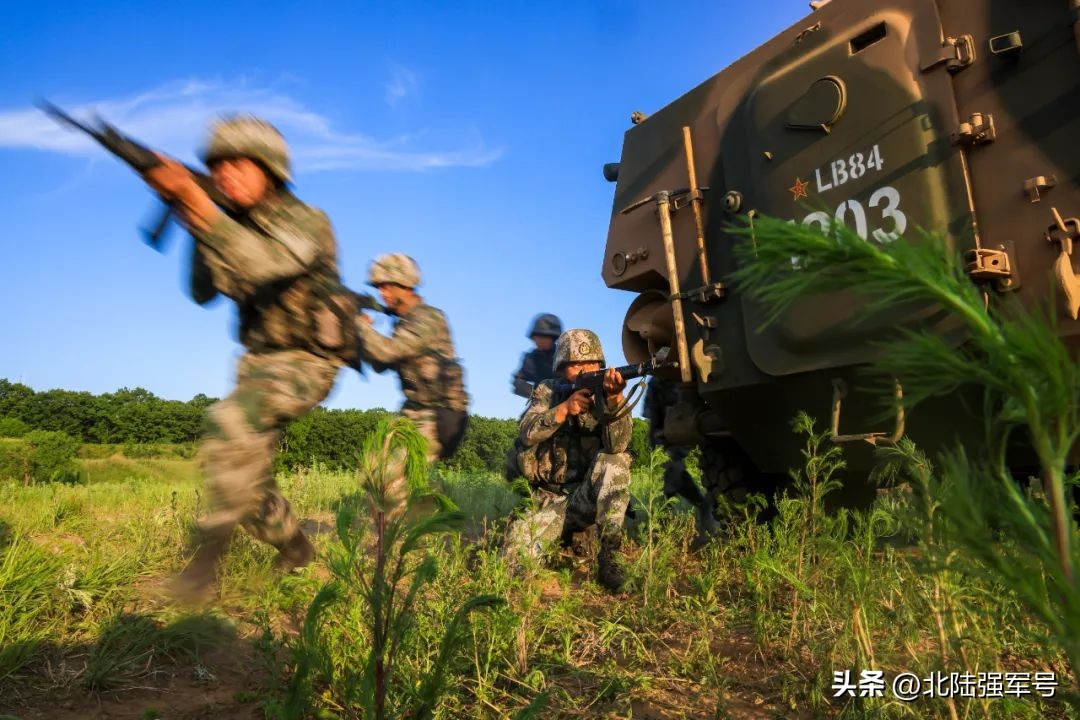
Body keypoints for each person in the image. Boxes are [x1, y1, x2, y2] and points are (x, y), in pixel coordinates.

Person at [142, 115, 356, 597]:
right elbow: (202, 293)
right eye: (216, 167)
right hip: (257, 364)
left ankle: (201, 570)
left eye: (238, 165)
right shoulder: (228, 225)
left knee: (229, 425)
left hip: (308, 361)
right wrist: (195, 222)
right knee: (247, 476)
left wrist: (199, 202)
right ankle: (297, 551)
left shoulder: (308, 221)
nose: (224, 175)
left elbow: (263, 263)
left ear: (272, 169)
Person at [502, 329, 632, 591]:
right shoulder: (547, 390)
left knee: (614, 460)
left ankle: (610, 559)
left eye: (592, 363)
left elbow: (617, 445)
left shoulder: (607, 396)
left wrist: (615, 400)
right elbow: (527, 434)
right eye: (577, 364)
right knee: (511, 565)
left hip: (584, 501)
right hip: (548, 502)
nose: (586, 369)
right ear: (561, 368)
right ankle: (562, 541)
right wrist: (564, 409)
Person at [354, 253, 468, 462]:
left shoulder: (428, 318)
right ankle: (430, 495)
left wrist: (360, 326)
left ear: (405, 285)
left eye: (387, 286)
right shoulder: (403, 323)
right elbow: (381, 364)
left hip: (438, 414)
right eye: (379, 287)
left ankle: (430, 495)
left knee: (392, 476)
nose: (382, 293)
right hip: (413, 409)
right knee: (374, 468)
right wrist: (364, 335)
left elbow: (388, 351)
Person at [643, 376, 716, 538]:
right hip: (664, 439)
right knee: (671, 477)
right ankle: (662, 525)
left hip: (682, 435)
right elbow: (652, 416)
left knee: (671, 477)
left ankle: (661, 525)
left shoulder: (684, 376)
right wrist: (656, 443)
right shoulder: (657, 382)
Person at [511, 313, 563, 399]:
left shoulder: (564, 356)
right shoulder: (530, 359)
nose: (540, 340)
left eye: (545, 337)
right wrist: (538, 395)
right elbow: (518, 382)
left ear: (553, 338)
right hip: (542, 404)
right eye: (538, 336)